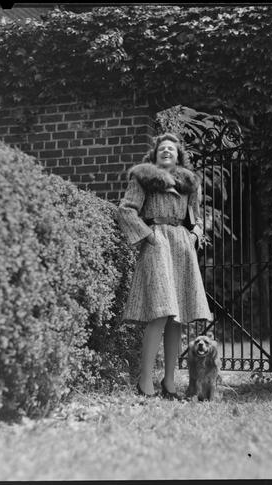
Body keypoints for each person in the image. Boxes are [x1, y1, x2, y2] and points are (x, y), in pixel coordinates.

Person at [116, 133, 212, 399]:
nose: (167, 151)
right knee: (160, 310)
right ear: (155, 154)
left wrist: (194, 235)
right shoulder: (142, 178)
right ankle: (144, 381)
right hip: (157, 243)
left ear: (179, 155)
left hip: (181, 246)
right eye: (162, 148)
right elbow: (125, 210)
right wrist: (148, 234)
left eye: (172, 148)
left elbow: (197, 218)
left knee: (176, 317)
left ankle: (169, 383)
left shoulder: (190, 183)